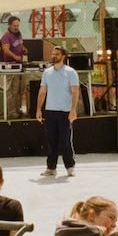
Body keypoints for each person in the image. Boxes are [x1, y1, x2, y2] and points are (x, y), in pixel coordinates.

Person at [37, 45, 80, 176]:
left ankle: (70, 166)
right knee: (51, 140)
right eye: (53, 54)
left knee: (65, 141)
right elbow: (42, 91)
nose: (53, 56)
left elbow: (75, 92)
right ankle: (51, 168)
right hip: (50, 111)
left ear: (63, 56)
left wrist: (73, 110)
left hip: (65, 112)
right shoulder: (47, 72)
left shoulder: (71, 72)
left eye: (56, 54)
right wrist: (39, 109)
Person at [0, 16, 28, 119]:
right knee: (10, 90)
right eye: (14, 25)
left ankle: (17, 108)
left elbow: (19, 45)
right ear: (9, 25)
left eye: (17, 25)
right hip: (10, 65)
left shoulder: (19, 35)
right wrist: (15, 57)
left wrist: (23, 49)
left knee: (18, 89)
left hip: (18, 65)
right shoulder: (6, 36)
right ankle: (11, 111)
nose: (16, 27)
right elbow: (6, 50)